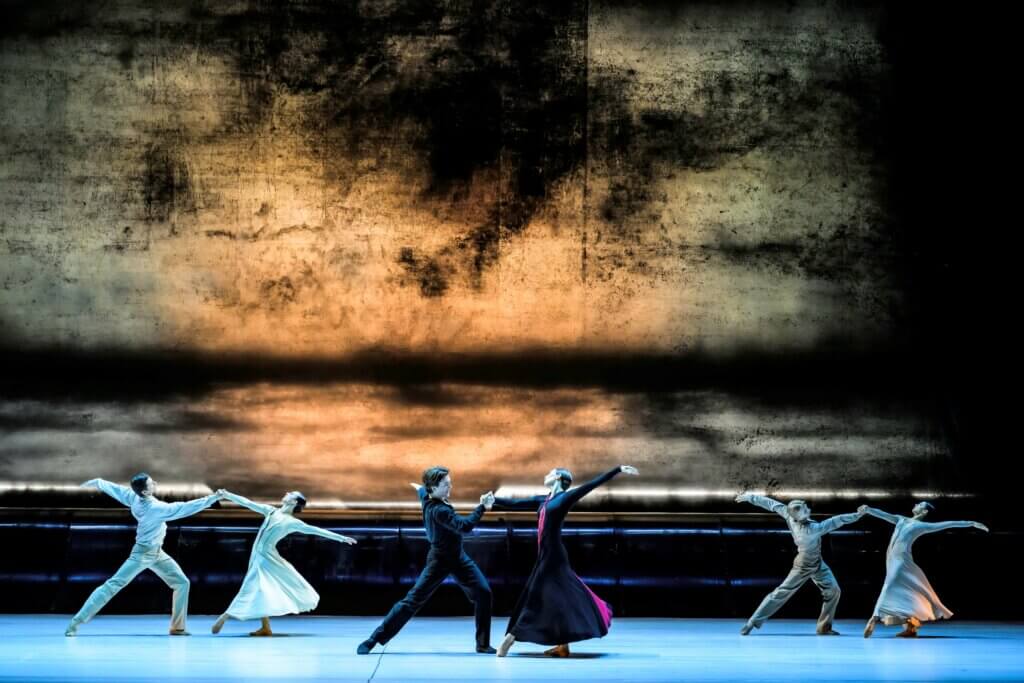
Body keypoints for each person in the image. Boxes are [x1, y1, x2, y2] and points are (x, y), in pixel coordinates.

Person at [494, 465, 639, 657]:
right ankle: (563, 646)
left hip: (554, 556)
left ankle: (510, 639)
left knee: (534, 596)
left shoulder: (564, 498)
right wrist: (493, 500)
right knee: (559, 598)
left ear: (558, 477)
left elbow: (591, 485)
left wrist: (617, 469)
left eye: (550, 472)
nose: (545, 474)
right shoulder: (544, 500)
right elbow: (516, 503)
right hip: (545, 555)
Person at [357, 466, 496, 654]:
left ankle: (483, 644)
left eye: (450, 483)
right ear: (434, 488)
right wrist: (482, 507)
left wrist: (417, 486)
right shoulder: (439, 510)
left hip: (458, 558)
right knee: (412, 601)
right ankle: (373, 639)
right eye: (446, 484)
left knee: (483, 593)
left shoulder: (427, 496)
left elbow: (421, 490)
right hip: (439, 561)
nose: (450, 487)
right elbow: (465, 526)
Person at [65, 473, 223, 636]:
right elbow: (184, 508)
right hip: (142, 554)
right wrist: (212, 498)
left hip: (157, 553)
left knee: (182, 582)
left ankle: (178, 627)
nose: (155, 483)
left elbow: (118, 491)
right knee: (113, 585)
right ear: (145, 492)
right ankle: (75, 623)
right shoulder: (156, 508)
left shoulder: (135, 498)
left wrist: (99, 482)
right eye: (151, 483)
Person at [211, 489, 357, 636]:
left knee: (251, 586)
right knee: (262, 589)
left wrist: (341, 538)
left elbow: (315, 530)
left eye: (291, 494)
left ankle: (226, 615)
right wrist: (228, 495)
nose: (287, 493)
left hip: (266, 557)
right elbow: (248, 503)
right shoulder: (271, 511)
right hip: (258, 554)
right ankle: (265, 627)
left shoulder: (292, 522)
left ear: (294, 502)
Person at [735, 493, 866, 635]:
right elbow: (836, 521)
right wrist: (858, 514)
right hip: (803, 565)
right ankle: (752, 622)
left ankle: (824, 627)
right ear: (799, 516)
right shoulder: (811, 530)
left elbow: (771, 504)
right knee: (781, 592)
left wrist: (750, 497)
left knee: (833, 590)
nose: (808, 509)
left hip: (817, 562)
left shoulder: (789, 515)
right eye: (805, 509)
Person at [861, 502, 989, 638]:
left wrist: (971, 523)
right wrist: (868, 509)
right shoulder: (901, 519)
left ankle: (874, 618)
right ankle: (911, 628)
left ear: (924, 512)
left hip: (902, 561)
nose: (916, 504)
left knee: (888, 586)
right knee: (905, 592)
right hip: (891, 559)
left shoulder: (922, 526)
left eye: (920, 504)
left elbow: (948, 524)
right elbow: (884, 515)